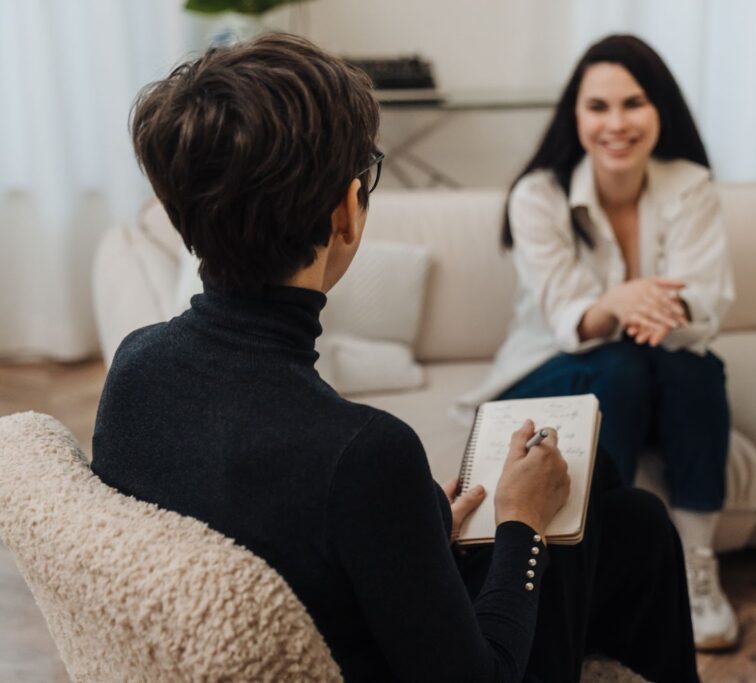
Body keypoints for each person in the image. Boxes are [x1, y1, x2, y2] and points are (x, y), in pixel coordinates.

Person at [90, 34, 701, 682]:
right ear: (348, 213)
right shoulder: (364, 453)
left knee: (634, 522)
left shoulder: (136, 367)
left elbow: (266, 510)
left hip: (326, 625)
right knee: (597, 507)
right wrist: (523, 526)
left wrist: (411, 522)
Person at [457, 34, 737, 651]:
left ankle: (697, 570)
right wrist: (616, 302)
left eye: (632, 103)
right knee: (622, 365)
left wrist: (654, 307)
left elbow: (705, 297)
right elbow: (570, 318)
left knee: (695, 367)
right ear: (575, 116)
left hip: (656, 369)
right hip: (548, 372)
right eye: (598, 106)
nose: (616, 123)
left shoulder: (689, 185)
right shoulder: (539, 194)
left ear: (659, 110)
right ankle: (590, 568)